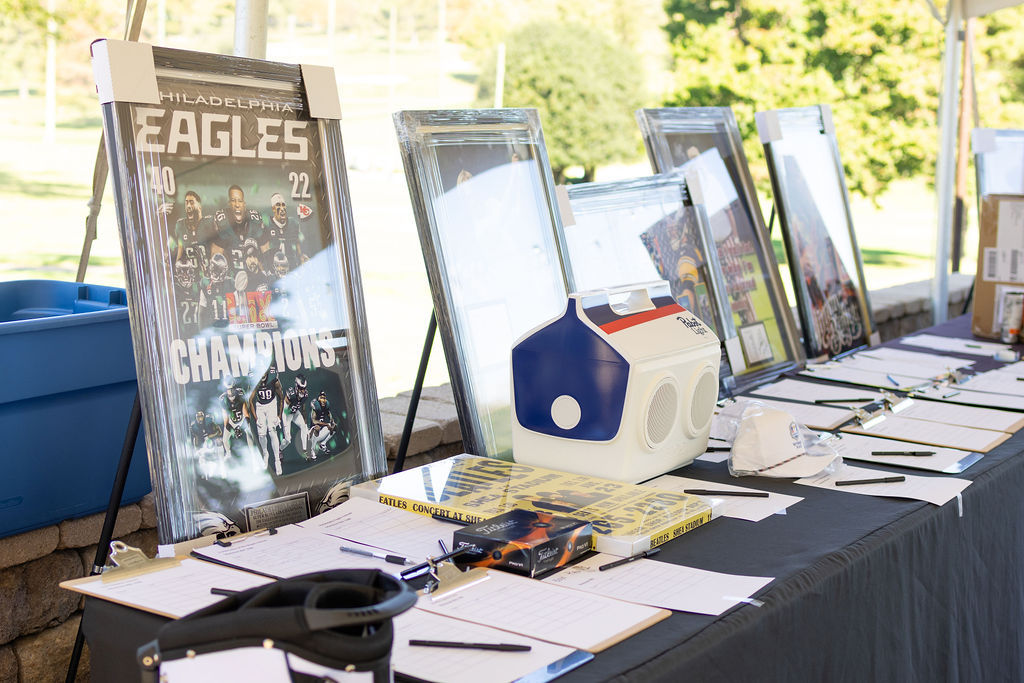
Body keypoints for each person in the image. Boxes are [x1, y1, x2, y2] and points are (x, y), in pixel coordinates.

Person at [212, 185, 266, 276]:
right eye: (233, 200)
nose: (237, 205)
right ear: (229, 203)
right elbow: (216, 257)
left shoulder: (254, 221)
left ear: (244, 204)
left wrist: (263, 275)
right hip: (231, 277)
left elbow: (266, 254)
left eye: (240, 201)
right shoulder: (223, 222)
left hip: (253, 277)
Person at [250, 363, 285, 475]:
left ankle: (277, 460)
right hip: (260, 406)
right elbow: (250, 400)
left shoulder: (273, 378)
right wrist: (256, 419)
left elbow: (281, 397)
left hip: (271, 404)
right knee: (261, 434)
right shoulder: (254, 379)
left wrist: (279, 416)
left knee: (272, 431)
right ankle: (265, 453)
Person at [172, 190, 213, 278]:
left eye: (191, 202)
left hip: (209, 275)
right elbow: (180, 251)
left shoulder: (209, 223)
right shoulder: (180, 225)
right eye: (186, 203)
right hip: (191, 277)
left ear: (199, 206)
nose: (188, 206)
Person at [266, 192, 304, 269]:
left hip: (292, 268)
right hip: (275, 268)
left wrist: (301, 259)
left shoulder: (293, 223)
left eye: (283, 205)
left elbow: (298, 247)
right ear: (273, 209)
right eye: (278, 205)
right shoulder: (268, 224)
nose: (282, 208)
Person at [282, 374, 311, 457]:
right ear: (296, 386)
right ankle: (280, 450)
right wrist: (284, 422)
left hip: (295, 412)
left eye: (304, 388)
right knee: (288, 440)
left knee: (304, 427)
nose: (303, 390)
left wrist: (305, 423)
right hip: (287, 414)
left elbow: (303, 409)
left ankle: (305, 450)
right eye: (301, 388)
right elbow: (284, 409)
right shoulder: (291, 393)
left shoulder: (305, 395)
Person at [308, 391, 335, 458]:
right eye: (321, 398)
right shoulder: (316, 406)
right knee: (317, 427)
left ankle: (323, 444)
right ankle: (312, 450)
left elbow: (329, 413)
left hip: (321, 431)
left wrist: (332, 420)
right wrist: (326, 424)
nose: (323, 400)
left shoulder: (326, 405)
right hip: (312, 433)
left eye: (324, 398)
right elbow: (314, 421)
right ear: (318, 399)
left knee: (334, 426)